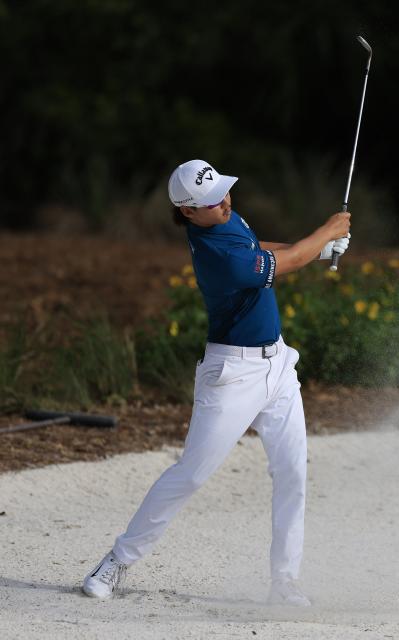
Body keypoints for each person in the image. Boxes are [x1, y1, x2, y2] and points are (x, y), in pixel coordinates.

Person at [81, 159, 351, 606]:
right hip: (232, 376)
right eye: (212, 201)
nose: (225, 201)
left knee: (292, 473)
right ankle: (117, 560)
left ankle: (283, 583)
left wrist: (322, 247)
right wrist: (326, 232)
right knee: (191, 474)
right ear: (188, 212)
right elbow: (287, 260)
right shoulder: (214, 253)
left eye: (224, 191)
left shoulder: (226, 217)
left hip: (279, 366)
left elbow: (257, 245)